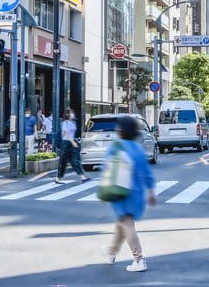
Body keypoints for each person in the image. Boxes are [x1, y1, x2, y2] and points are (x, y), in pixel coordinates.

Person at [101, 116, 156, 273]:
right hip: (137, 193)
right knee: (122, 223)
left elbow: (107, 170)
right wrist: (151, 191)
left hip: (120, 191)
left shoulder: (115, 147)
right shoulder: (138, 148)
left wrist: (103, 193)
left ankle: (139, 259)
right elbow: (147, 172)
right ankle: (111, 253)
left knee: (126, 222)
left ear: (120, 130)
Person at [56, 108, 89, 184]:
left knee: (75, 160)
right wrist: (72, 142)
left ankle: (82, 177)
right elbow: (66, 134)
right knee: (63, 161)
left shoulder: (73, 122)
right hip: (66, 143)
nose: (72, 114)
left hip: (72, 142)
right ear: (67, 114)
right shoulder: (65, 123)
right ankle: (58, 178)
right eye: (71, 113)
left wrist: (74, 142)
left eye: (72, 113)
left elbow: (73, 133)